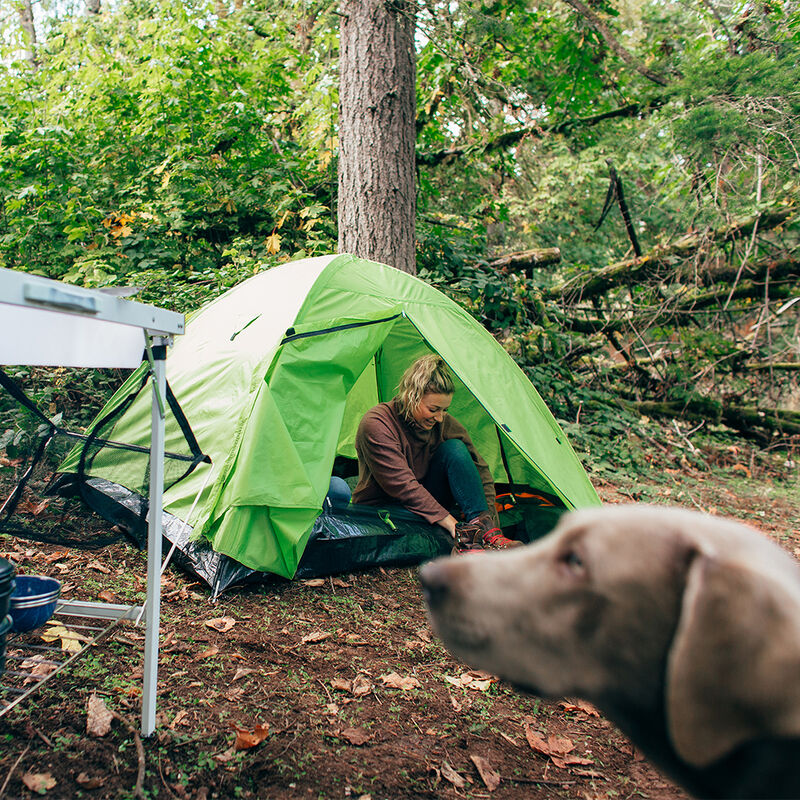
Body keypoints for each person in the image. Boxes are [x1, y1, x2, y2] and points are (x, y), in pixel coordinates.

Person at [350, 355, 522, 551]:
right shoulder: (377, 423)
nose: (440, 418)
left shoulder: (444, 423)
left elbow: (480, 470)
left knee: (455, 449)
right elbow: (404, 486)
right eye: (433, 409)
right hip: (387, 510)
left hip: (431, 508)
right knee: (423, 518)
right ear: (411, 396)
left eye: (444, 410)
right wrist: (453, 526)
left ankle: (480, 537)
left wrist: (489, 526)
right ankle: (465, 540)